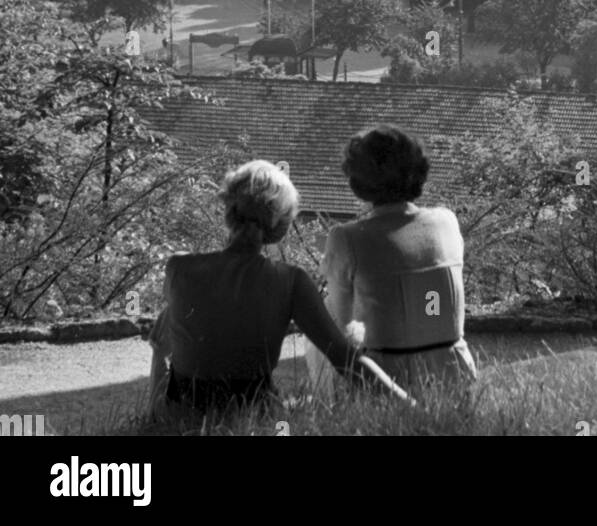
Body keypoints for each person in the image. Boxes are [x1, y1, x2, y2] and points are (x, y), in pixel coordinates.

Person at [148, 159, 411, 419]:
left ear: (228, 210)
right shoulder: (290, 280)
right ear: (281, 226)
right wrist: (412, 406)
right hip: (252, 417)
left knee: (164, 333)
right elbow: (345, 360)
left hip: (182, 417)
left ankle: (153, 417)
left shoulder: (178, 268)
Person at [319, 126, 477, 391]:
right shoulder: (446, 221)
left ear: (357, 180)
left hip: (384, 380)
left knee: (325, 310)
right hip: (454, 372)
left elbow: (344, 324)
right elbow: (432, 300)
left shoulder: (347, 237)